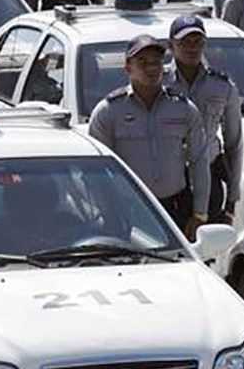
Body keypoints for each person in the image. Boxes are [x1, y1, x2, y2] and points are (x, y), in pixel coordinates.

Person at [88, 34, 210, 237]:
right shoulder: (108, 111)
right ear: (128, 67)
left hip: (176, 207)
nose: (151, 68)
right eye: (142, 62)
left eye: (156, 62)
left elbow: (199, 160)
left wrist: (200, 213)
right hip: (127, 211)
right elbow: (96, 171)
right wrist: (109, 212)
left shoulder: (183, 108)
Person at [165, 15, 243, 225]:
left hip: (209, 179)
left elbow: (234, 144)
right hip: (169, 181)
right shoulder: (159, 83)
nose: (192, 48)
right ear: (170, 45)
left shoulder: (222, 86)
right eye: (184, 43)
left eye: (198, 42)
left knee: (206, 251)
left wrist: (232, 200)